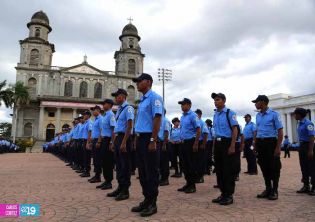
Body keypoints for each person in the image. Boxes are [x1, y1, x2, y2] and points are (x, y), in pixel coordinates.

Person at [131, 73, 163, 217]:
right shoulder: (142, 100)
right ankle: (146, 199)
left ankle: (152, 203)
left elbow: (157, 119)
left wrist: (153, 140)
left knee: (151, 172)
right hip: (141, 138)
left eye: (139, 81)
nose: (137, 83)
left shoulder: (155, 97)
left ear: (148, 82)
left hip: (149, 138)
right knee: (143, 172)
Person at [252, 95, 283, 200]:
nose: (255, 104)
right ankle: (268, 188)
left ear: (263, 102)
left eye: (256, 102)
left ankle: (275, 190)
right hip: (261, 143)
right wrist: (255, 143)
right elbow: (257, 130)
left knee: (274, 167)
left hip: (271, 143)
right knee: (263, 166)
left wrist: (278, 147)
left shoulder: (274, 114)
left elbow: (280, 131)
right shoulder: (258, 116)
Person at [211, 92, 238, 205]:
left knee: (228, 170)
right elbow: (216, 133)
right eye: (215, 100)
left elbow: (235, 129)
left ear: (223, 101)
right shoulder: (215, 114)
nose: (215, 102)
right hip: (218, 143)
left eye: (218, 99)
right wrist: (213, 147)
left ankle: (229, 195)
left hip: (227, 143)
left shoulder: (230, 113)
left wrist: (232, 145)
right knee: (219, 170)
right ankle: (223, 193)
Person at [107, 89, 134, 201]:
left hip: (125, 138)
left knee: (125, 165)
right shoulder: (119, 109)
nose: (115, 99)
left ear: (123, 96)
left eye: (117, 96)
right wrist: (114, 142)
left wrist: (123, 142)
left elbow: (130, 125)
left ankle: (125, 191)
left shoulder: (129, 108)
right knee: (118, 165)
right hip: (118, 138)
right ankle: (120, 187)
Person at [177, 98, 201, 194]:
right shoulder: (182, 117)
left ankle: (192, 186)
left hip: (190, 142)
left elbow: (198, 130)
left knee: (191, 164)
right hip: (183, 143)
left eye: (184, 104)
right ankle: (188, 183)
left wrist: (195, 143)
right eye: (181, 104)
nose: (182, 106)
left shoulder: (193, 115)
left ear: (189, 105)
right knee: (184, 164)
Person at [294, 108, 315, 195]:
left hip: (308, 146)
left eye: (295, 114)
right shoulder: (299, 123)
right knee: (303, 166)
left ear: (300, 115)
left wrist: (310, 150)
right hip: (302, 146)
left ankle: (314, 187)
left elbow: (311, 137)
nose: (294, 115)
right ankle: (306, 186)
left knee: (312, 167)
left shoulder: (308, 123)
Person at [96, 99, 116, 190]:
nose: (103, 105)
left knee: (108, 162)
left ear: (110, 105)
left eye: (105, 104)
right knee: (103, 161)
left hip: (108, 140)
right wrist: (99, 141)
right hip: (104, 140)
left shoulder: (111, 115)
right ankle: (106, 180)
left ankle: (109, 182)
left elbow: (113, 129)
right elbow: (102, 131)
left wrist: (112, 142)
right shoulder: (105, 115)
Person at [88, 105, 103, 183]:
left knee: (98, 159)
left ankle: (98, 176)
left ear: (98, 110)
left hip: (98, 140)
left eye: (94, 110)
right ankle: (96, 175)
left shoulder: (100, 119)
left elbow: (102, 130)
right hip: (94, 140)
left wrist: (99, 141)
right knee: (95, 159)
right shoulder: (95, 120)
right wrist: (91, 141)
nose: (93, 112)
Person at [195, 109, 208, 183]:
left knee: (200, 160)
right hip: (194, 142)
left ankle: (201, 177)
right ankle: (196, 176)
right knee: (195, 160)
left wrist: (203, 144)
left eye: (196, 114)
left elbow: (206, 133)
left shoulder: (202, 123)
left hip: (200, 142)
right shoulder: (195, 122)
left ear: (200, 115)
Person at [158, 110, 171, 186]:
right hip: (159, 142)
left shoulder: (165, 120)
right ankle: (161, 178)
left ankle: (165, 179)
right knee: (160, 162)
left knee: (164, 162)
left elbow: (166, 132)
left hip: (164, 143)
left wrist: (164, 144)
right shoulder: (159, 120)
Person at [80, 110, 93, 178]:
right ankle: (85, 170)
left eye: (85, 115)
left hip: (87, 140)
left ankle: (87, 172)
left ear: (88, 115)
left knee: (87, 157)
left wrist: (88, 142)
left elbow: (90, 132)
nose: (84, 116)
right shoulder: (86, 123)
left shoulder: (89, 122)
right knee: (85, 156)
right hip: (84, 140)